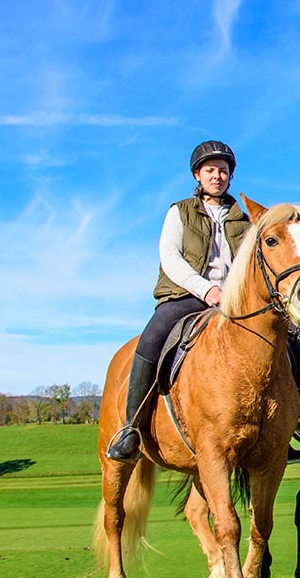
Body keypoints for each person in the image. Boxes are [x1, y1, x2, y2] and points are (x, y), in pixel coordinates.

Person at [106, 140, 250, 461]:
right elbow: (170, 258)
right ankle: (132, 427)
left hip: (234, 302)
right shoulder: (180, 211)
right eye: (210, 170)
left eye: (223, 171)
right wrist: (205, 289)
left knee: (279, 338)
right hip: (187, 296)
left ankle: (285, 426)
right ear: (198, 174)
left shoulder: (244, 218)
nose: (217, 176)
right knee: (154, 336)